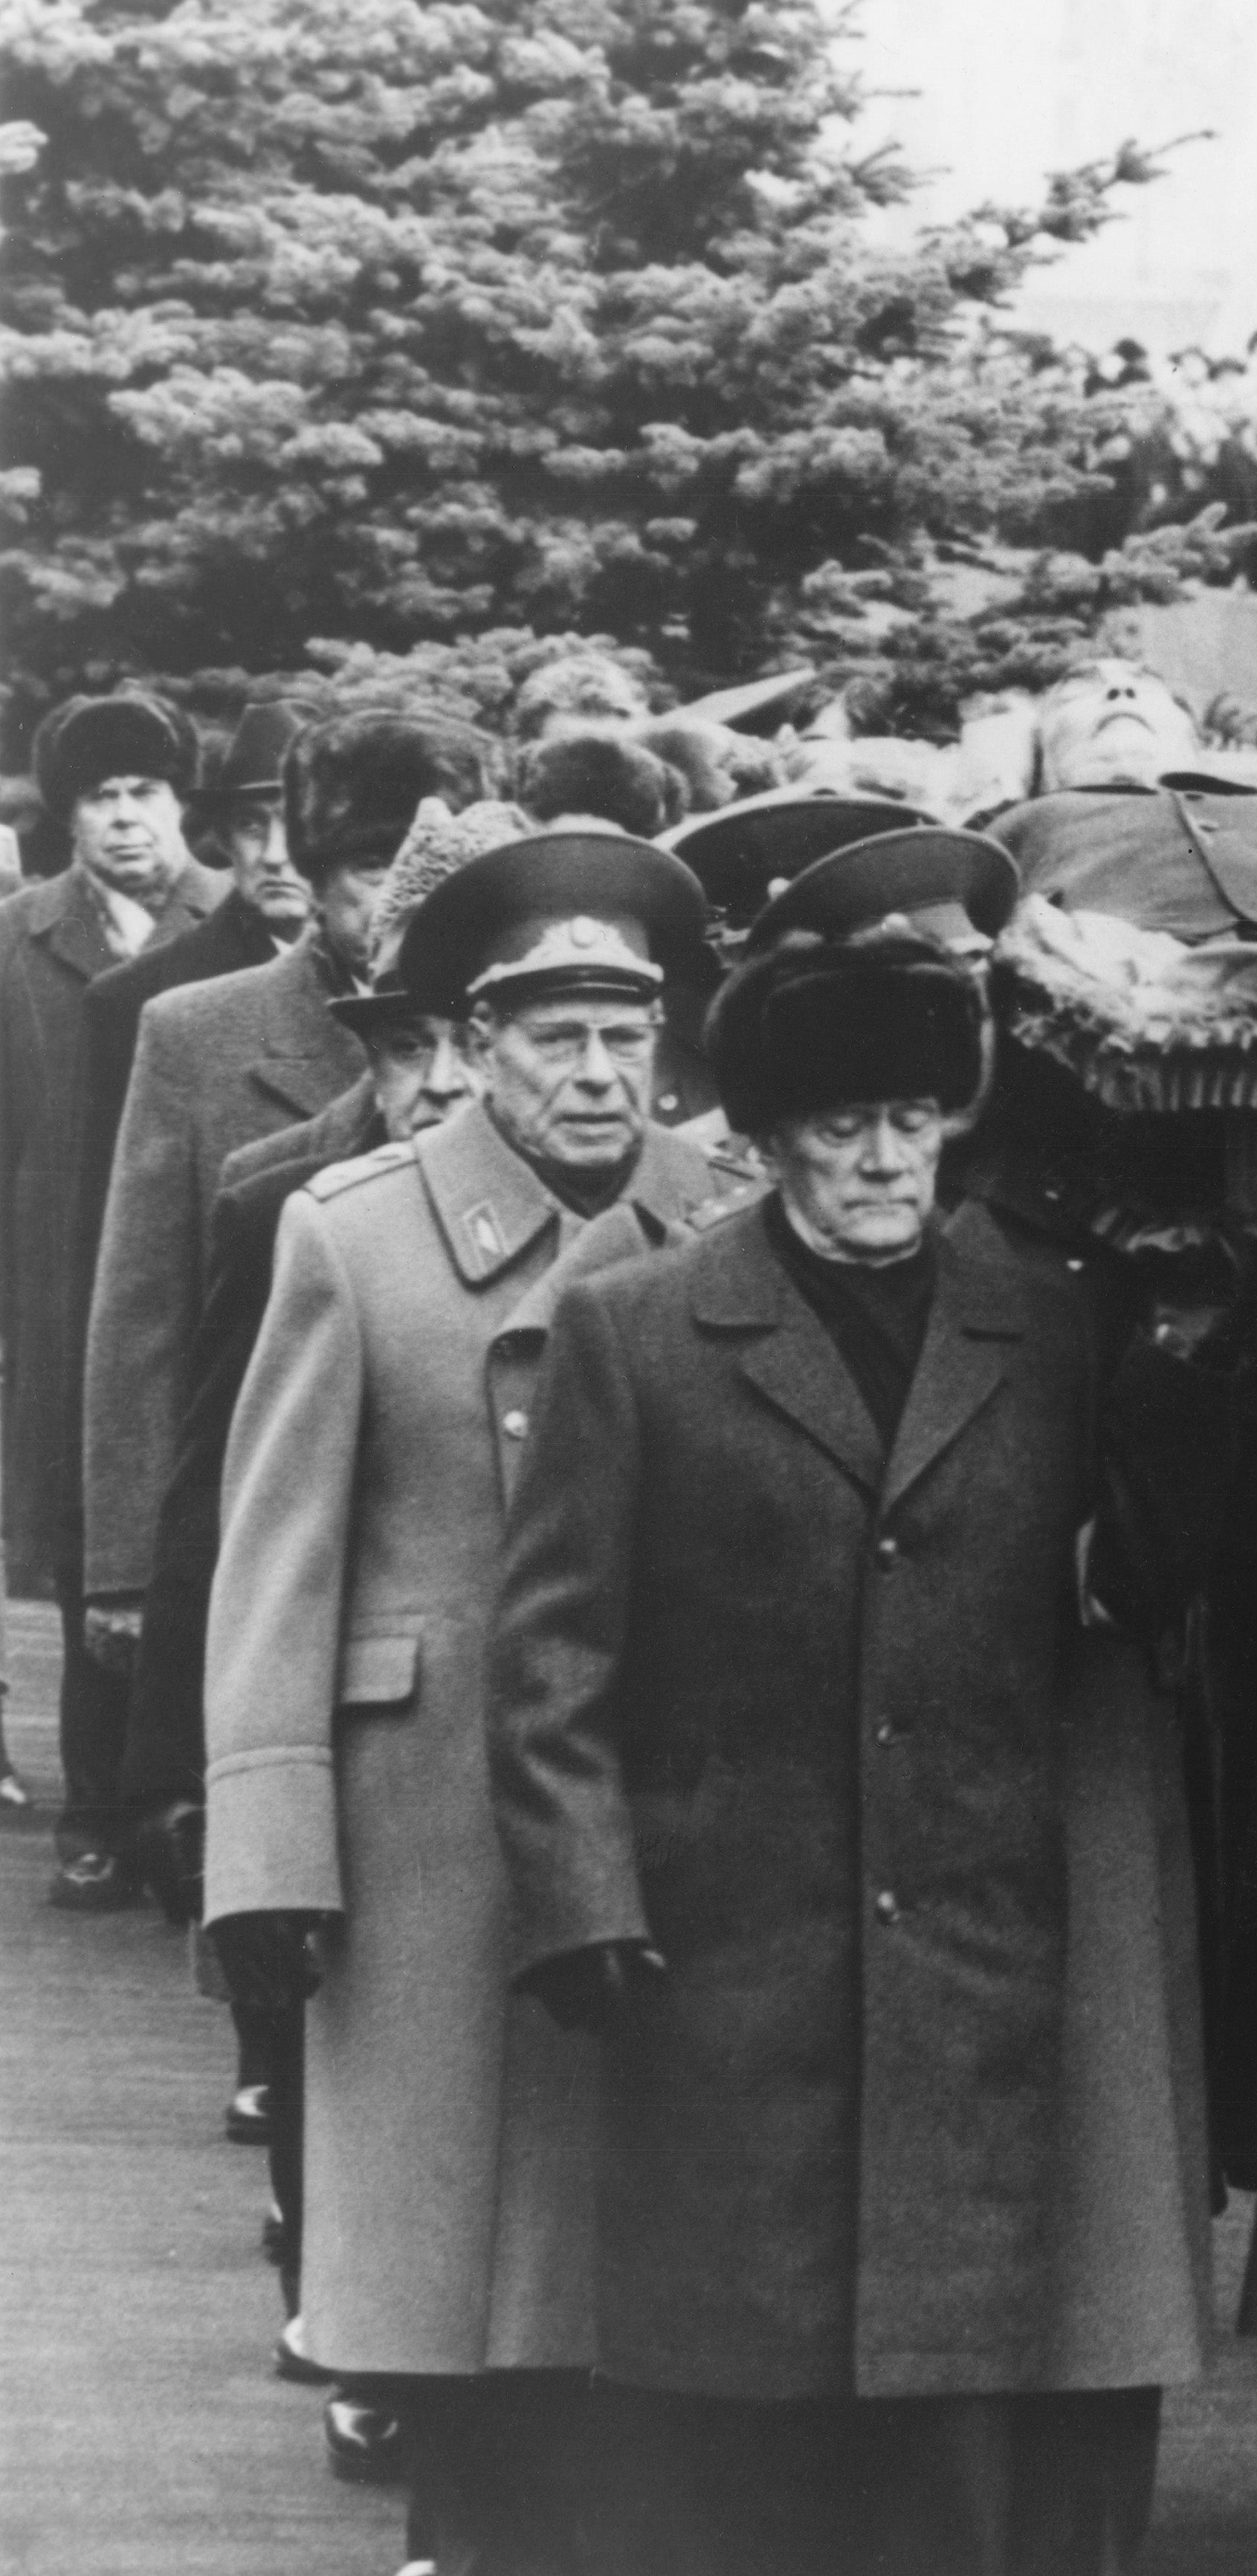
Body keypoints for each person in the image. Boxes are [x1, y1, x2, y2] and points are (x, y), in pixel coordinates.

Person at [485, 934, 1198, 2576]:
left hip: (970, 1957)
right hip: (726, 1954)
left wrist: (1201, 1356)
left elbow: (1148, 1581)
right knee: (727, 2425)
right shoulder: (638, 1331)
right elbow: (551, 1654)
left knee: (943, 2439)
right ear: (763, 1134)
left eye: (913, 1118)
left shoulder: (1053, 1324)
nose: (885, 1160)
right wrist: (589, 1900)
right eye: (840, 1124)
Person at [200, 828, 729, 2574]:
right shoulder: (354, 1236)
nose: (594, 1075)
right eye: (551, 1037)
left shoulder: (716, 1230)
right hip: (424, 1813)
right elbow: (281, 1556)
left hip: (657, 1796)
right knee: (452, 2251)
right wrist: (270, 1851)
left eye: (625, 1035)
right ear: (470, 1045)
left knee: (628, 2238)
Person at [76, 714, 472, 1906]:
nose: (400, 890)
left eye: (426, 855)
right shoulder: (197, 1029)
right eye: (367, 864)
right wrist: (124, 1562)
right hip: (253, 1499)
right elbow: (139, 1301)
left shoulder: (517, 1035)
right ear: (312, 865)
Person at [2, 691, 231, 1898]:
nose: (127, 816)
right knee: (96, 1535)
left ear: (180, 801)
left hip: (205, 1270)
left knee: (203, 1530)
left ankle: (187, 1803)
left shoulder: (236, 923)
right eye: (101, 795)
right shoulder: (17, 939)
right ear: (67, 813)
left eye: (146, 790)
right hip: (62, 1279)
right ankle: (95, 1806)